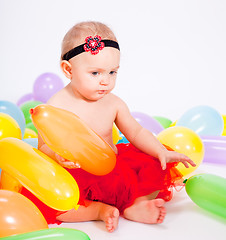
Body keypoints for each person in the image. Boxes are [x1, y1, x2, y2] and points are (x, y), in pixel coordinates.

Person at [21, 21, 195, 233]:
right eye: (95, 73)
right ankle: (97, 211)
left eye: (112, 72)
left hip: (114, 172)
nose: (106, 81)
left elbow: (136, 132)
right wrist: (57, 156)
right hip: (76, 175)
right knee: (52, 203)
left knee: (155, 163)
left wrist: (160, 151)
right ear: (68, 70)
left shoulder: (113, 103)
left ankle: (136, 205)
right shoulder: (55, 106)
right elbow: (44, 147)